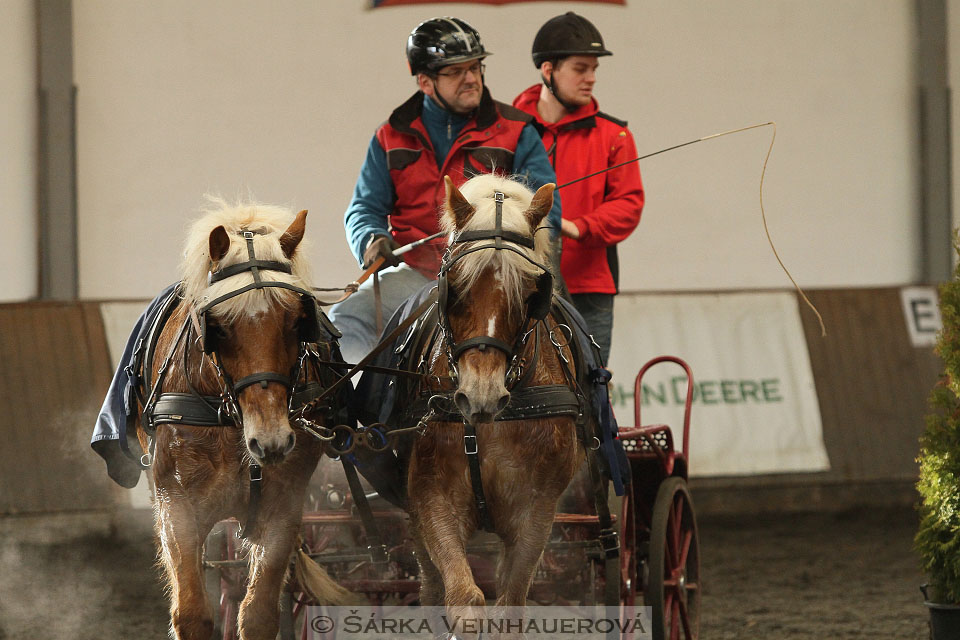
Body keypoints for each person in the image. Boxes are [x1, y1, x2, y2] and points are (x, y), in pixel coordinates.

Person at [328, 16, 562, 363]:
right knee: (346, 319)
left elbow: (548, 214)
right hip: (417, 277)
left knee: (576, 342)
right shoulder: (389, 136)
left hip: (496, 275)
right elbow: (363, 209)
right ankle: (356, 416)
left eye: (475, 67)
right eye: (455, 72)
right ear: (425, 81)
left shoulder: (517, 130)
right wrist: (371, 239)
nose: (471, 79)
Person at [512, 12, 643, 364]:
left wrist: (576, 226)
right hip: (519, 284)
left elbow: (628, 205)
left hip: (589, 287)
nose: (591, 79)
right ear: (548, 70)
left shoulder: (614, 135)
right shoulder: (508, 129)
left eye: (594, 69)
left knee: (591, 387)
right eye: (580, 69)